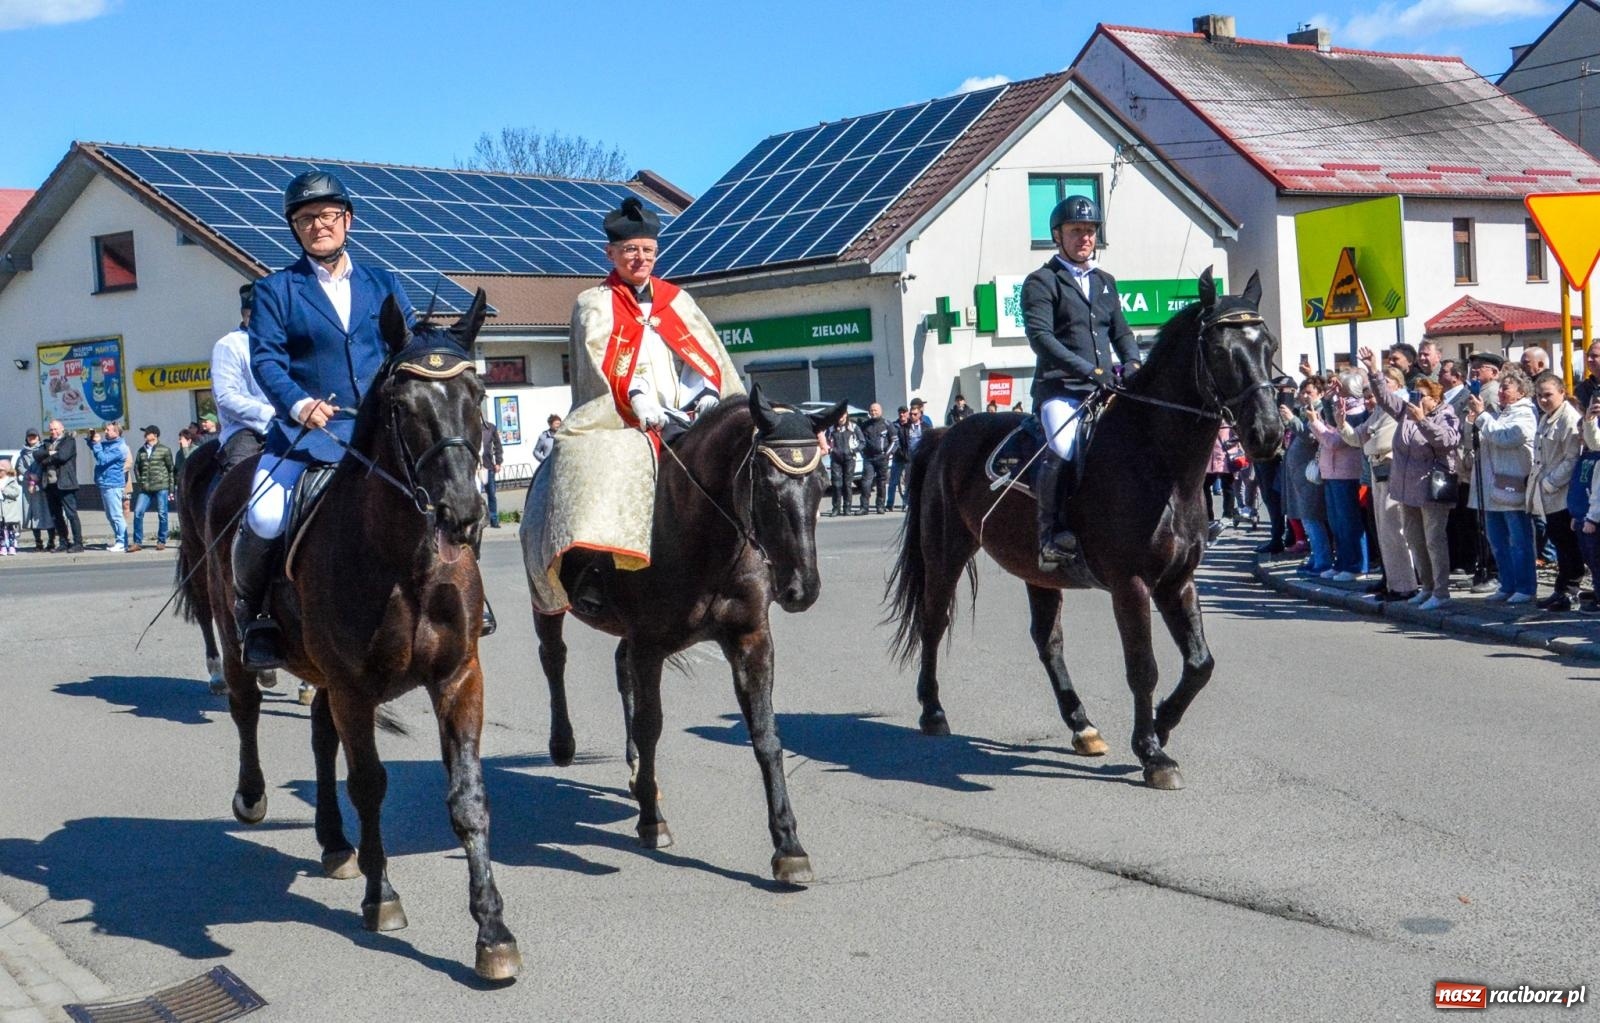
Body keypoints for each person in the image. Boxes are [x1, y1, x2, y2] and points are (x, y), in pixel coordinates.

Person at [521, 196, 742, 615]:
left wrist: (706, 395)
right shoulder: (594, 303)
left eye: (647, 251)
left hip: (685, 415)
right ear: (611, 253)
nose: (640, 258)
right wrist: (638, 400)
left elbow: (701, 357)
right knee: (585, 458)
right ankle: (590, 572)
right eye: (630, 251)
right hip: (617, 417)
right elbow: (599, 358)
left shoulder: (678, 301)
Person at [236, 170, 417, 670]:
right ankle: (253, 617)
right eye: (306, 218)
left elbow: (406, 347)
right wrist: (301, 405)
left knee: (438, 497)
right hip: (307, 435)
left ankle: (460, 601)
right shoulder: (276, 290)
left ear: (348, 220)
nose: (319, 225)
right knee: (266, 514)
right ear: (294, 229)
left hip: (379, 433)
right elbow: (267, 361)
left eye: (328, 215)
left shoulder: (384, 283)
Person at [1021, 195, 1142, 568]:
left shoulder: (1105, 282)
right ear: (1058, 235)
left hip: (1105, 390)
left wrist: (1134, 362)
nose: (1085, 238)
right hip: (1061, 390)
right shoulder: (1042, 281)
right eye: (1076, 231)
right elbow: (1042, 339)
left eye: (1090, 231)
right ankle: (1049, 536)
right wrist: (1090, 371)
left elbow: (1120, 332)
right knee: (1063, 444)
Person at [1360, 346, 1460, 610]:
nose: (1417, 400)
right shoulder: (1406, 411)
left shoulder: (1446, 414)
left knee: (1433, 541)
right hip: (1407, 488)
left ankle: (1441, 591)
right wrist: (1373, 370)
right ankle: (1426, 588)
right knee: (1416, 540)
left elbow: (1447, 441)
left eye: (1423, 396)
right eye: (1416, 395)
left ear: (1435, 399)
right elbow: (1383, 397)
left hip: (1432, 487)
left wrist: (1423, 422)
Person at [1342, 359, 1415, 601]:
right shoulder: (1379, 411)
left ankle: (1406, 584)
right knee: (1384, 528)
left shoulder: (1402, 404)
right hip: (1376, 466)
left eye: (1387, 383)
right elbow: (1357, 438)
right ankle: (1393, 581)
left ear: (1397, 385)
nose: (1380, 389)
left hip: (1393, 464)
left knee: (1396, 528)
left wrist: (1373, 371)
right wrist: (1340, 421)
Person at [1466, 365, 1537, 603]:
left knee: (1519, 541)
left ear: (1521, 392)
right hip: (1490, 488)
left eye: (1506, 388)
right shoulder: (1498, 413)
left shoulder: (1525, 413)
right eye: (1501, 388)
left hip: (1511, 486)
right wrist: (1472, 421)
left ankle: (1525, 587)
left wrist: (1483, 417)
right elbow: (1478, 441)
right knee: (1498, 542)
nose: (1501, 392)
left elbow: (1507, 438)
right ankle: (1507, 584)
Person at [1527, 371, 1583, 610]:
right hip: (1547, 493)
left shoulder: (1568, 418)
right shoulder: (1546, 417)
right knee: (1559, 542)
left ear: (1562, 393)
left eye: (1548, 395)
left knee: (1568, 544)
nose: (1543, 399)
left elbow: (1572, 459)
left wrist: (1549, 483)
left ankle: (1570, 590)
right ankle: (1561, 588)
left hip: (1563, 493)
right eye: (1539, 396)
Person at [1307, 373, 1367, 580]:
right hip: (1330, 471)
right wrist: (1326, 401)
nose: (1337, 391)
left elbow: (1335, 441)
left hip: (1347, 472)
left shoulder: (1357, 412)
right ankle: (1342, 562)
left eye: (1340, 388)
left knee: (1348, 522)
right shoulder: (1338, 409)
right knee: (1336, 522)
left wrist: (1316, 424)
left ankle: (1356, 566)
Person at [211, 281, 275, 472]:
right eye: (252, 315)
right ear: (245, 315)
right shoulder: (229, 345)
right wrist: (270, 413)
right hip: (247, 429)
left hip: (293, 421)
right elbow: (225, 397)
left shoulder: (286, 340)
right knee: (241, 477)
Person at [1281, 377, 1331, 576]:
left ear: (1319, 393)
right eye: (1302, 392)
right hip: (1301, 475)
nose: (1304, 395)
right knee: (1307, 519)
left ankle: (1323, 561)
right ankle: (1315, 557)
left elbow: (1311, 437)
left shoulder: (1318, 411)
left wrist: (1292, 420)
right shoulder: (1304, 410)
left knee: (1312, 518)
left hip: (1312, 475)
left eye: (1309, 392)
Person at [35, 420, 83, 552]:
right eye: (51, 430)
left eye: (56, 429)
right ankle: (63, 542)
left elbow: (62, 456)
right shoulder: (46, 443)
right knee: (56, 515)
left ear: (62, 429)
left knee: (71, 514)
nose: (53, 432)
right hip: (50, 485)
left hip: (65, 483)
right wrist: (49, 453)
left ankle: (78, 543)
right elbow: (37, 455)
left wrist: (47, 458)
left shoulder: (69, 441)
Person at [127, 424, 175, 552]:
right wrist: (140, 481)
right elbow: (137, 467)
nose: (145, 435)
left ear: (155, 435)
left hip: (161, 486)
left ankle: (161, 541)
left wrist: (171, 488)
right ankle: (137, 542)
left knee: (162, 514)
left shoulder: (164, 450)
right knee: (138, 512)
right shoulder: (141, 451)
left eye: (147, 433)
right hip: (145, 488)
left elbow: (171, 469)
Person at [87, 422, 131, 552]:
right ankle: (120, 540)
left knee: (116, 514)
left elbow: (102, 459)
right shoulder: (109, 444)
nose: (105, 432)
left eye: (108, 430)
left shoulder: (120, 447)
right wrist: (92, 439)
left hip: (113, 483)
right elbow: (96, 449)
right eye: (105, 429)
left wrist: (96, 444)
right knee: (110, 515)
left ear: (116, 433)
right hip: (105, 483)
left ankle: (122, 542)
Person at [15, 429, 53, 551]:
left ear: (38, 437)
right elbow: (20, 467)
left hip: (43, 487)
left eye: (34, 436)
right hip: (29, 489)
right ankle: (38, 542)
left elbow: (45, 465)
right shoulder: (23, 453)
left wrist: (37, 477)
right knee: (32, 516)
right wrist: (29, 476)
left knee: (47, 514)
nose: (32, 439)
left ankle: (51, 541)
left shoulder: (43, 450)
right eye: (29, 437)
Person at [858, 402, 897, 514]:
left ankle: (880, 506)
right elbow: (860, 440)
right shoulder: (865, 425)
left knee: (881, 483)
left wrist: (887, 454)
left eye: (875, 410)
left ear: (881, 411)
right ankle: (864, 507)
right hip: (868, 459)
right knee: (866, 482)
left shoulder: (887, 424)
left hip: (882, 458)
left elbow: (895, 441)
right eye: (871, 410)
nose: (873, 412)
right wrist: (862, 452)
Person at [826, 409, 863, 516]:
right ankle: (836, 508)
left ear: (846, 415)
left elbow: (862, 441)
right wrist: (830, 450)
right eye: (838, 416)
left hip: (849, 459)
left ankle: (847, 508)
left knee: (847, 484)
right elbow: (826, 441)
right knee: (836, 484)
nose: (840, 418)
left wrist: (854, 450)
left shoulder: (853, 427)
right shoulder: (831, 428)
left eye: (842, 415)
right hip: (835, 459)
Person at [481, 415, 504, 528]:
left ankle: (493, 519)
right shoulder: (467, 425)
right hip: (474, 468)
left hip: (488, 466)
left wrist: (498, 462)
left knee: (491, 494)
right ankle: (477, 521)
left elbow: (498, 445)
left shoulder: (490, 427)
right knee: (475, 495)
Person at [886, 406, 911, 512]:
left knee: (907, 482)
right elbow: (891, 440)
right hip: (898, 457)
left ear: (907, 413)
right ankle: (889, 504)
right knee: (893, 482)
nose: (902, 415)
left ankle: (906, 503)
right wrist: (895, 451)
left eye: (904, 412)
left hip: (909, 458)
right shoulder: (894, 425)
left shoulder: (912, 425)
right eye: (900, 413)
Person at [0, 458, 21, 556]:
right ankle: (3, 546)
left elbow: (16, 492)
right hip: (1, 511)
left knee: (11, 530)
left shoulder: (11, 481)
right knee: (1, 531)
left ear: (6, 471)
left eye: (1, 470)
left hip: (9, 510)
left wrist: (5, 490)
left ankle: (12, 547)